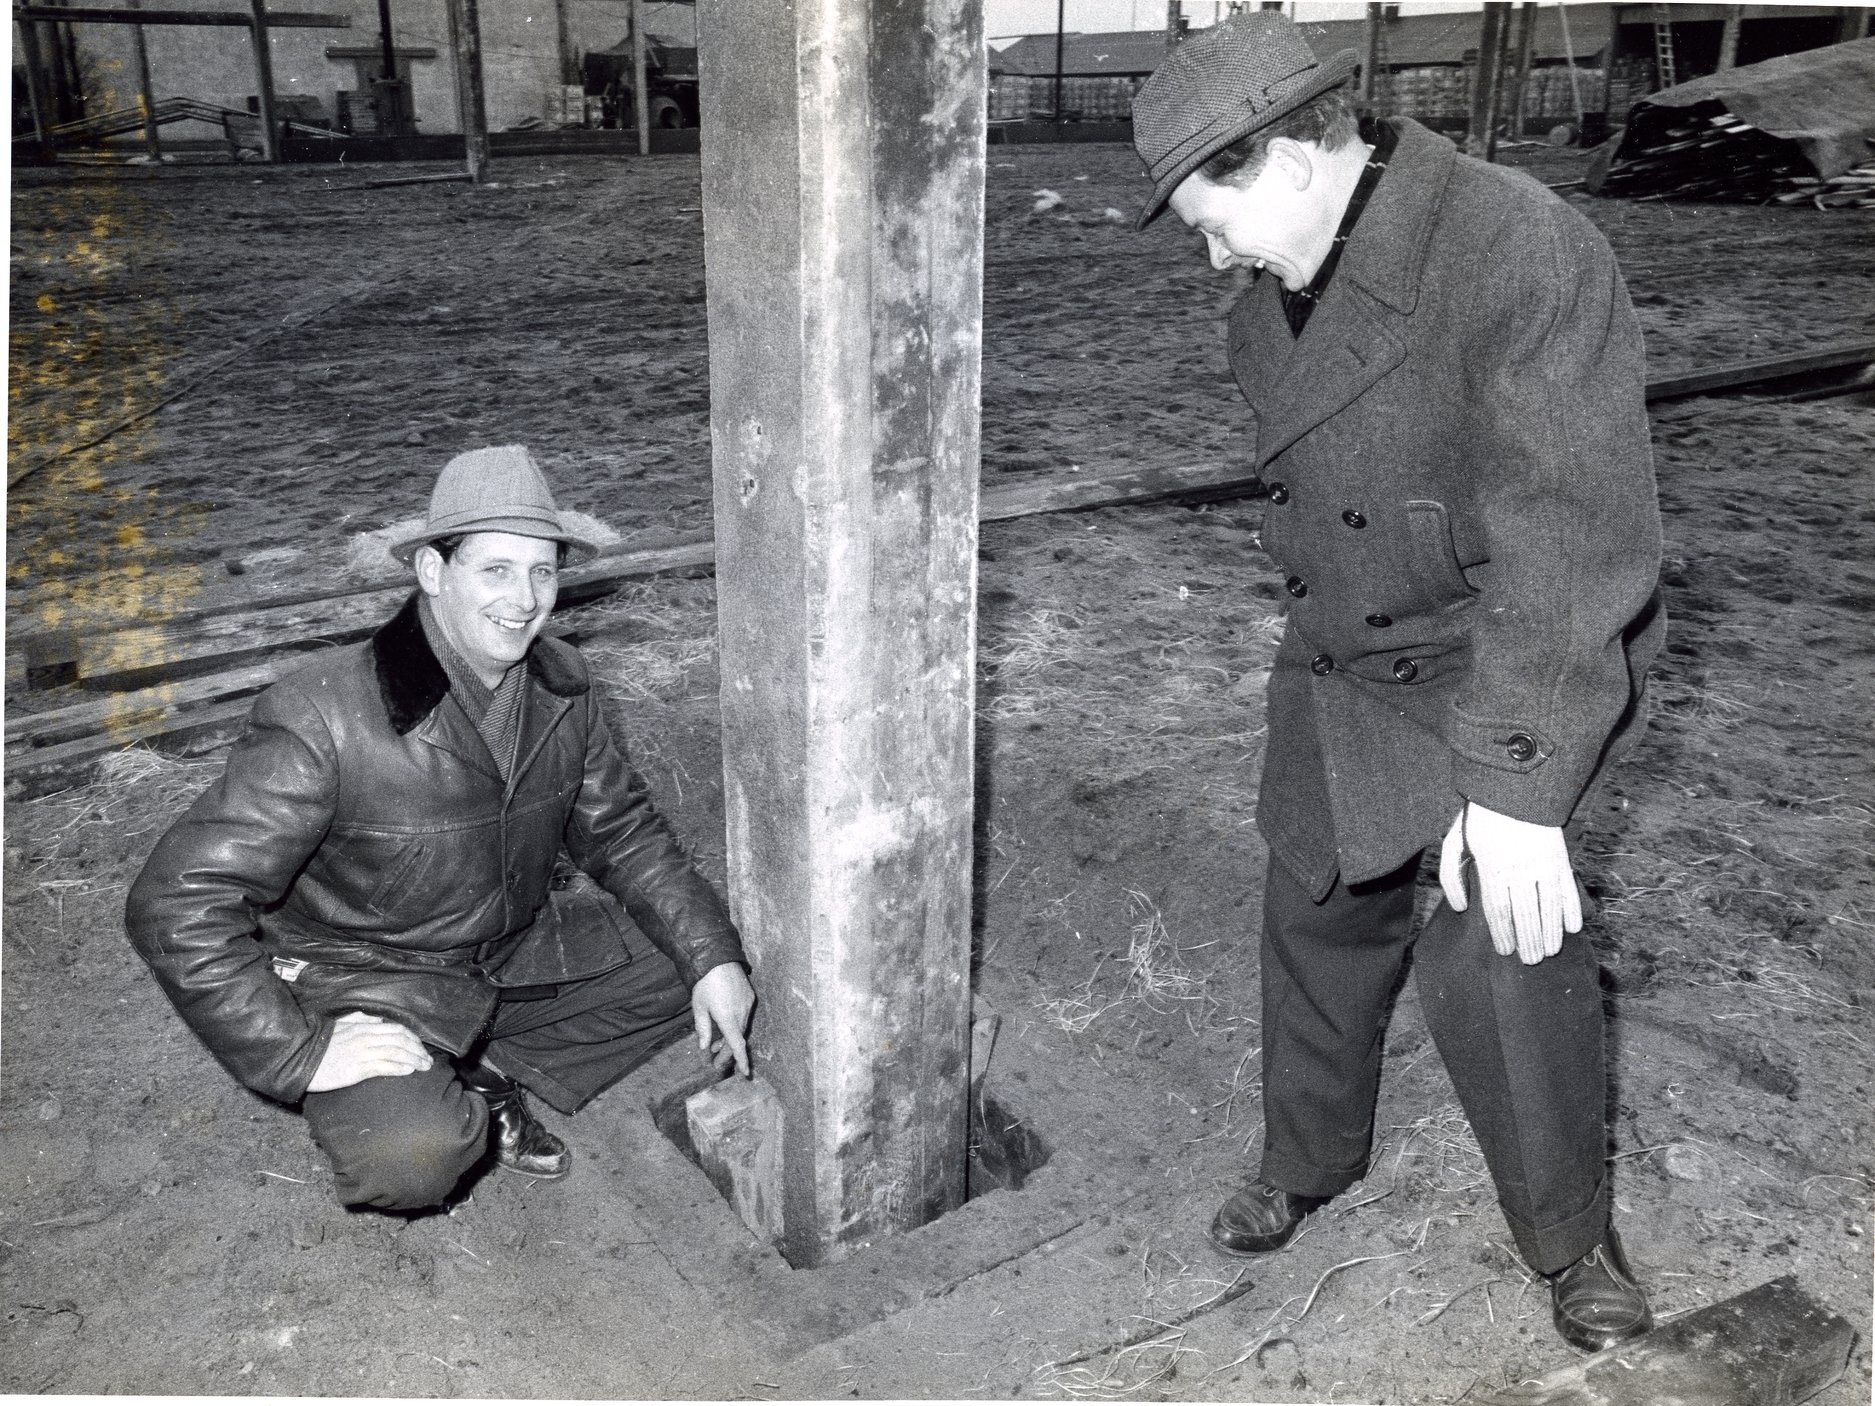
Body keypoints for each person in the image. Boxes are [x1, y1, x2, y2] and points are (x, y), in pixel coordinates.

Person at [1130, 14, 1666, 1353]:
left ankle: (1566, 1234)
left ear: (1295, 156)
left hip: (1500, 656)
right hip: (1346, 660)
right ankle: (1307, 1156)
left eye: (1217, 218)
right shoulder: (1264, 305)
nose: (1213, 259)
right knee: (1310, 899)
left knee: (1502, 940)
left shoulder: (1515, 247)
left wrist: (1516, 788)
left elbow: (1569, 530)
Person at [126, 445, 756, 1212]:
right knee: (413, 1159)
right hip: (366, 976)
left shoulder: (562, 682)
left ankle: (485, 1074)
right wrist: (299, 1050)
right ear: (432, 571)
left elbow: (621, 832)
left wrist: (711, 956)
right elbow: (175, 898)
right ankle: (429, 1086)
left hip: (504, 949)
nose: (524, 599)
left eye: (543, 571)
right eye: (495, 569)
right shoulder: (322, 712)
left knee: (709, 963)